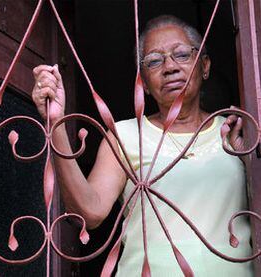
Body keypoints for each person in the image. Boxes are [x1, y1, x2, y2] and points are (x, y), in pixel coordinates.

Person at [32, 15, 252, 276]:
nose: (169, 67)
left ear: (204, 66)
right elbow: (90, 212)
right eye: (154, 61)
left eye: (181, 54)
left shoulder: (236, 131)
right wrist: (55, 123)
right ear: (143, 83)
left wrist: (249, 158)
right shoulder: (125, 136)